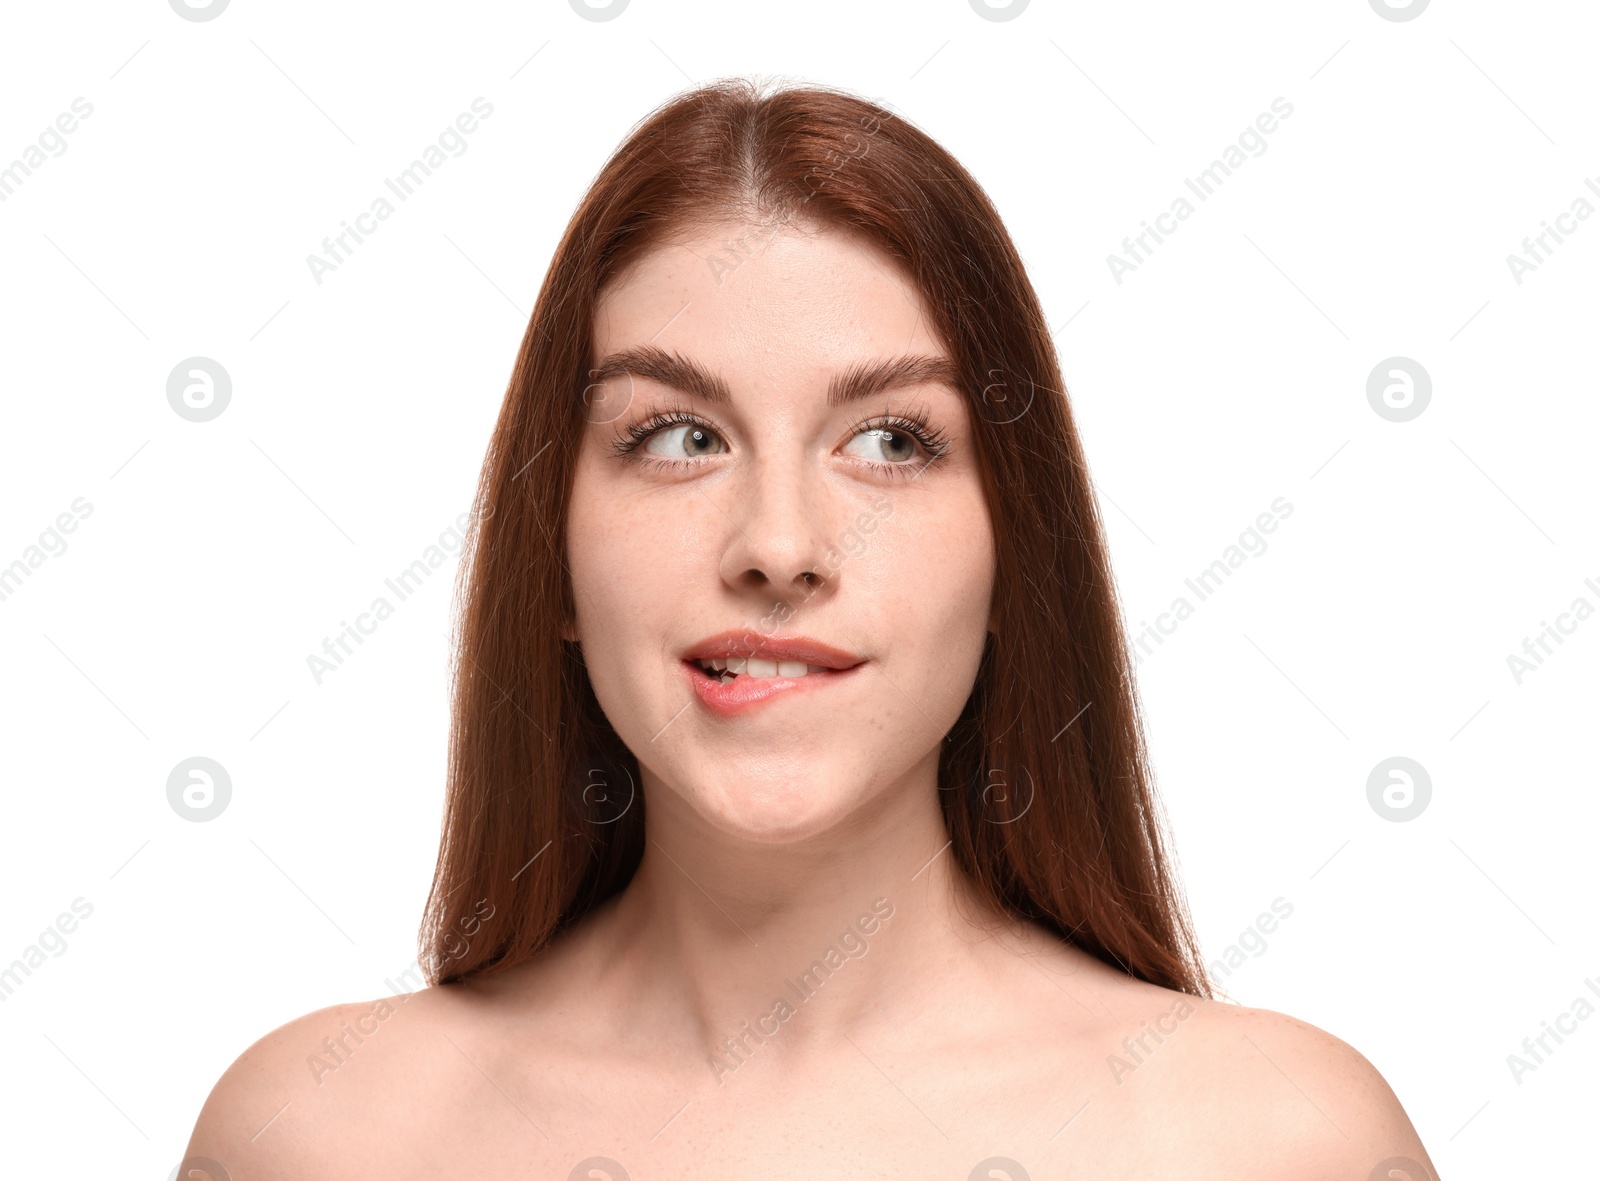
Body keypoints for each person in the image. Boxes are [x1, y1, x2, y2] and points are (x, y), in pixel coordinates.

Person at [182, 78, 1438, 1179]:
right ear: (553, 559)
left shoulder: (1276, 1142)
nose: (777, 547)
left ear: (1016, 550)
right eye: (677, 438)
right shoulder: (315, 1134)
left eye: (890, 442)